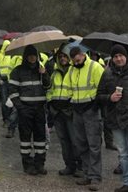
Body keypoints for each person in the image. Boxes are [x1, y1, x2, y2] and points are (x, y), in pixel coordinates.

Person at [96, 44, 128, 192]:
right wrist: (109, 98)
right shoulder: (107, 74)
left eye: (121, 56)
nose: (118, 59)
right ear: (112, 58)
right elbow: (98, 96)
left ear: (126, 56)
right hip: (114, 117)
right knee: (123, 153)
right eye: (115, 56)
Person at [65, 46, 104, 191]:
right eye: (74, 61)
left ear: (83, 55)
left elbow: (102, 87)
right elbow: (69, 88)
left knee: (94, 144)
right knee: (81, 143)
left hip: (91, 109)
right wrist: (70, 102)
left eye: (78, 60)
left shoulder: (95, 67)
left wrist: (95, 103)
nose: (76, 63)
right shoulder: (71, 69)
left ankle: (95, 177)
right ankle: (87, 174)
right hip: (77, 110)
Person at [8, 45, 51, 175]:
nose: (32, 58)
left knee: (40, 139)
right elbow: (12, 91)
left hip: (39, 109)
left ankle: (39, 164)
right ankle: (27, 165)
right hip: (25, 110)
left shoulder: (42, 70)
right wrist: (20, 107)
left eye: (34, 55)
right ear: (26, 57)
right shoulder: (17, 71)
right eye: (30, 55)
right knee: (25, 140)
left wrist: (44, 75)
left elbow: (48, 86)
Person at [47, 46, 81, 176]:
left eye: (65, 56)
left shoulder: (73, 71)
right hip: (57, 111)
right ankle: (69, 165)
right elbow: (50, 89)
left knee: (74, 140)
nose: (62, 59)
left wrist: (70, 105)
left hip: (69, 110)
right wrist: (51, 103)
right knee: (64, 141)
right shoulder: (55, 73)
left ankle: (80, 166)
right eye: (60, 57)